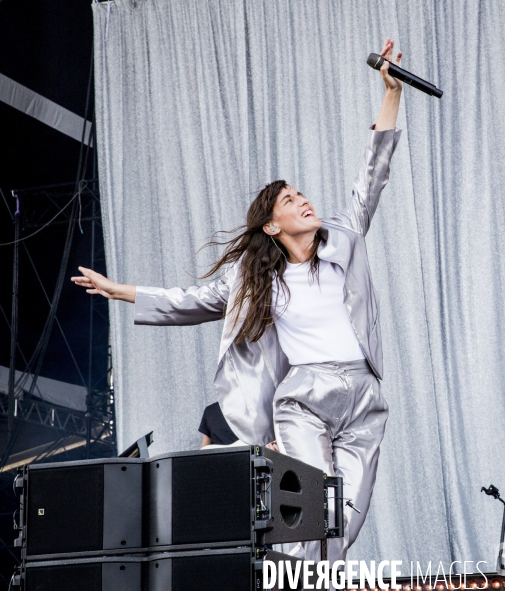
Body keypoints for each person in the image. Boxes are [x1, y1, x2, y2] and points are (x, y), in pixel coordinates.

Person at [72, 38, 403, 571]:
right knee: (309, 515)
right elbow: (189, 300)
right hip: (305, 399)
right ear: (273, 226)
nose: (304, 200)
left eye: (302, 193)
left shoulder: (345, 238)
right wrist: (118, 290)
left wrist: (390, 96)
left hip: (365, 398)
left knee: (345, 521)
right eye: (291, 200)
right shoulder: (255, 280)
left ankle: (312, 580)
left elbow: (372, 175)